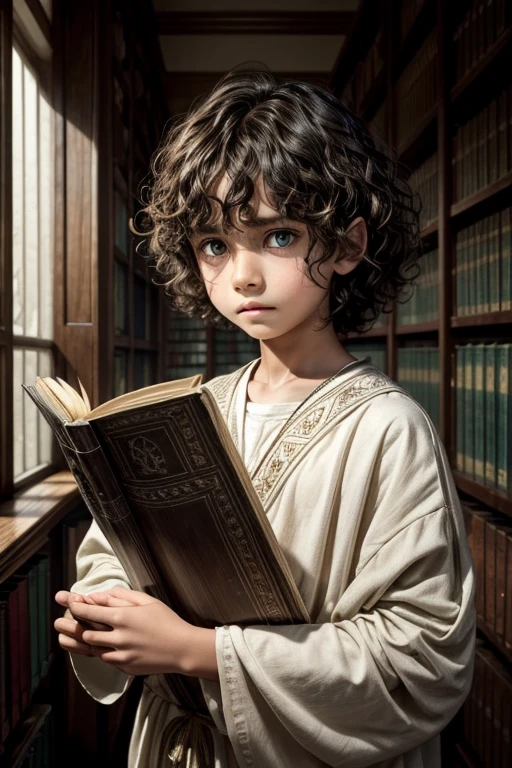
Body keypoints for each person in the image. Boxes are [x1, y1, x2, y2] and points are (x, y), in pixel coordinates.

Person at [54, 71, 475, 768]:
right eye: (215, 245)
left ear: (345, 245)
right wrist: (106, 609)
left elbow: (423, 657)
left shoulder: (388, 429)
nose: (243, 275)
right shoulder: (190, 411)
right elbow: (112, 551)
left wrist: (198, 652)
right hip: (175, 745)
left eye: (277, 236)